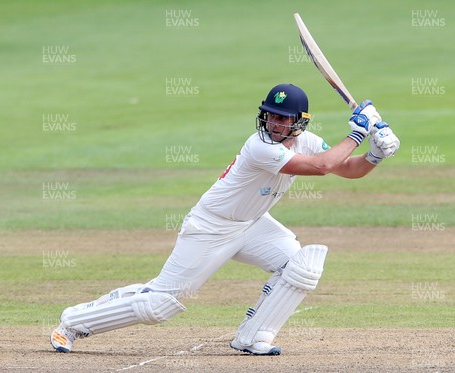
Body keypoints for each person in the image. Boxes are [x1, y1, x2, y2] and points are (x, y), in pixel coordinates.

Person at [50, 83, 400, 355]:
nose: (276, 123)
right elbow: (323, 167)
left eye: (284, 118)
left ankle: (253, 336)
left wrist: (374, 153)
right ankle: (74, 321)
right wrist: (358, 132)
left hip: (251, 224)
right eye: (271, 116)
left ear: (299, 122)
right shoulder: (259, 146)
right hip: (211, 226)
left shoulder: (307, 142)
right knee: (159, 305)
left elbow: (347, 169)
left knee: (302, 266)